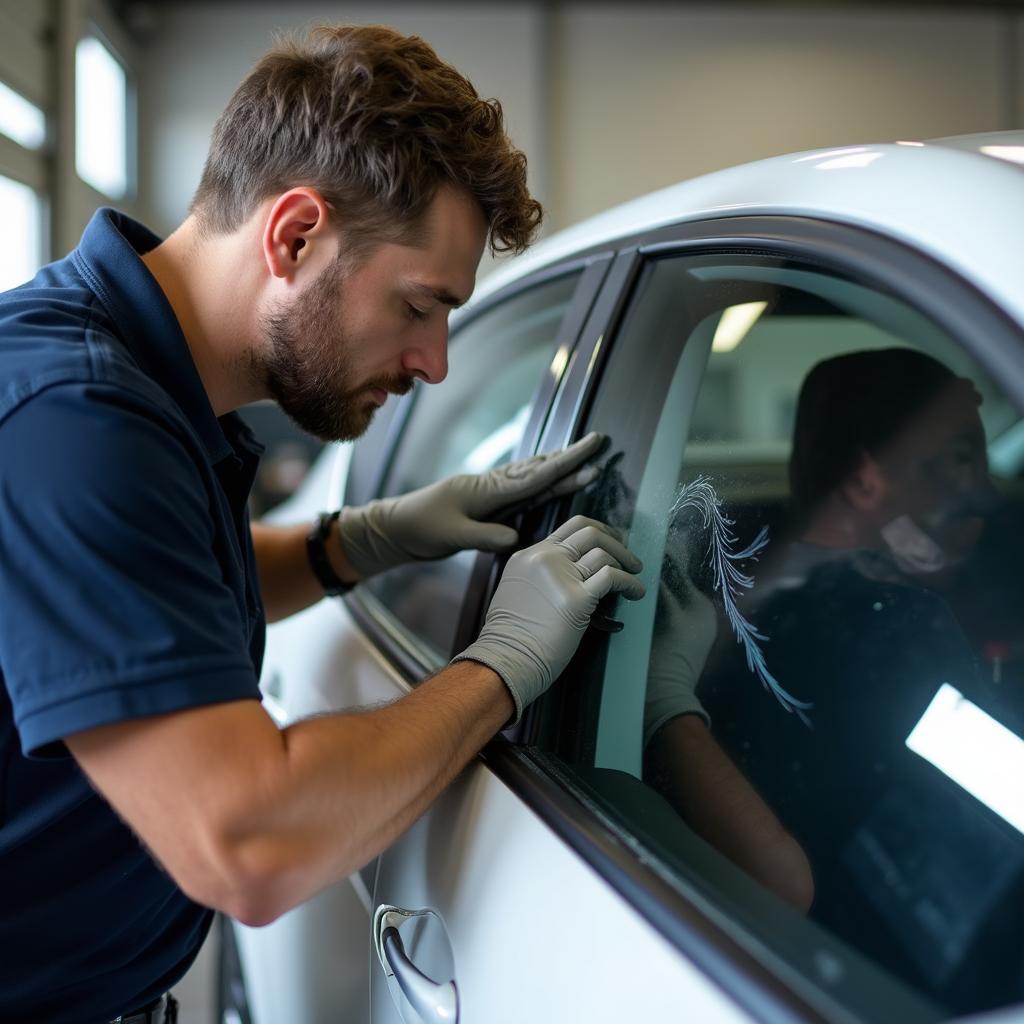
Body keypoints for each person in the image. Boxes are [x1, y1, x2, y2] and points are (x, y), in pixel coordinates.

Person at [0, 25, 645, 1024]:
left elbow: (154, 595)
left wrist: (360, 541)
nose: (434, 361)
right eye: (419, 305)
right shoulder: (74, 420)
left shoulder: (133, 383)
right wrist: (503, 661)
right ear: (294, 235)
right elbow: (249, 845)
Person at [698, 348, 1024, 1010]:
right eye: (961, 457)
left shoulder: (752, 600)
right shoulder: (896, 628)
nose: (985, 488)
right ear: (864, 475)